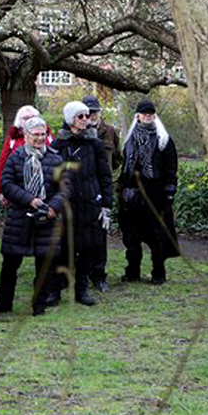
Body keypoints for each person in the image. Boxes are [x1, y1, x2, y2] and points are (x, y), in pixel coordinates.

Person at [0, 116, 68, 316]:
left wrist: (53, 208)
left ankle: (39, 305)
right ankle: (3, 304)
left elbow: (65, 189)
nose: (40, 138)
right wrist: (29, 199)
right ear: (26, 135)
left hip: (46, 219)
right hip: (19, 218)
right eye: (36, 135)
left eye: (43, 134)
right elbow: (6, 184)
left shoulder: (56, 159)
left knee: (44, 266)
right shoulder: (16, 157)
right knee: (10, 265)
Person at [52, 101, 114, 304]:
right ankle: (56, 290)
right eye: (81, 116)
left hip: (89, 202)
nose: (86, 120)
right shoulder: (59, 145)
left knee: (87, 248)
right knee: (63, 247)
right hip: (66, 204)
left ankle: (82, 290)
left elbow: (105, 175)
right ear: (71, 119)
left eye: (87, 116)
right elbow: (51, 175)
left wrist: (106, 204)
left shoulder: (94, 144)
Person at [119, 99, 180, 284]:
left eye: (150, 114)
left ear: (154, 116)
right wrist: (122, 190)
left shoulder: (163, 140)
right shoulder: (130, 139)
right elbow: (125, 168)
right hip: (132, 194)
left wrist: (170, 190)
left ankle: (158, 273)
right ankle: (132, 272)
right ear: (137, 115)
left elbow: (171, 168)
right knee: (131, 236)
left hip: (155, 194)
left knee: (156, 236)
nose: (147, 117)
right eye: (144, 113)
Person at [0, 105, 54, 208]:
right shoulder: (13, 139)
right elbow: (3, 164)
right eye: (25, 118)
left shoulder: (48, 137)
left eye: (32, 117)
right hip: (19, 193)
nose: (29, 120)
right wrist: (1, 190)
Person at [83, 96, 122, 173]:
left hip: (104, 181)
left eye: (95, 111)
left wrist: (108, 169)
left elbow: (118, 158)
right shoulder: (78, 132)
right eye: (89, 112)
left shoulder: (110, 131)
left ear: (99, 112)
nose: (93, 115)